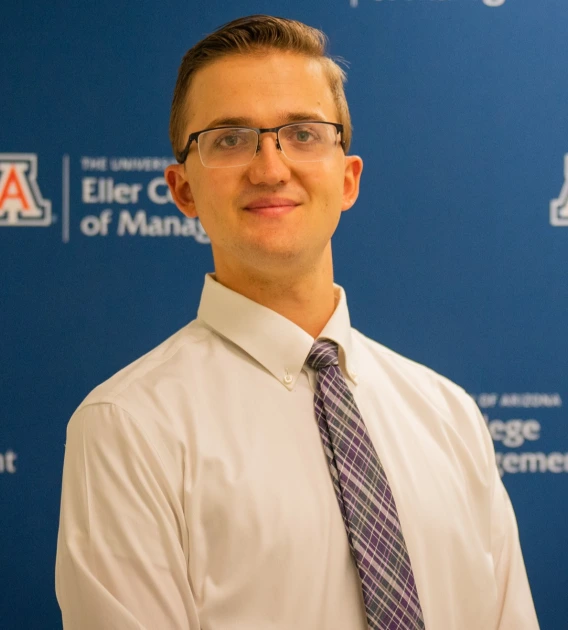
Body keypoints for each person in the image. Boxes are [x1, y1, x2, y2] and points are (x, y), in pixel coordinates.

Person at [55, 14, 540, 630]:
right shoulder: (128, 429)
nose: (270, 167)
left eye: (304, 134)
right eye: (230, 139)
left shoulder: (449, 415)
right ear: (183, 190)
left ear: (348, 178)